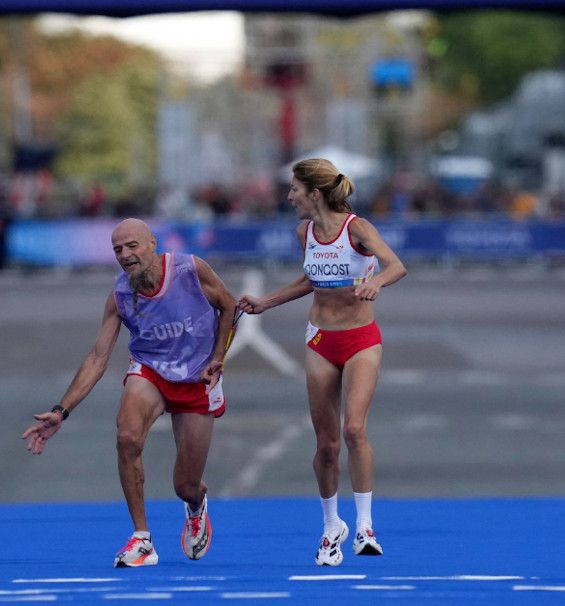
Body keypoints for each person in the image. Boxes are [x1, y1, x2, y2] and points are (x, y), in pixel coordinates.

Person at [22, 218, 238, 567]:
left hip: (198, 377)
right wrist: (61, 411)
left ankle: (196, 505)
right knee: (126, 438)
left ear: (153, 244)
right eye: (117, 250)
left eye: (132, 246)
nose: (125, 255)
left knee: (185, 485)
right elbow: (97, 358)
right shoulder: (120, 295)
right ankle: (142, 540)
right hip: (151, 370)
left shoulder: (189, 269)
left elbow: (229, 306)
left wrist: (217, 358)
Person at [238, 159, 406, 566]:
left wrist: (375, 283)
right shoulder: (304, 232)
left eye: (294, 189)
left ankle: (364, 526)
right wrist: (266, 302)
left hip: (361, 339)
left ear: (315, 193)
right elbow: (310, 280)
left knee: (353, 430)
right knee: (327, 444)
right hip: (319, 340)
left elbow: (396, 266)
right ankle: (332, 527)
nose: (289, 196)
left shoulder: (357, 229)